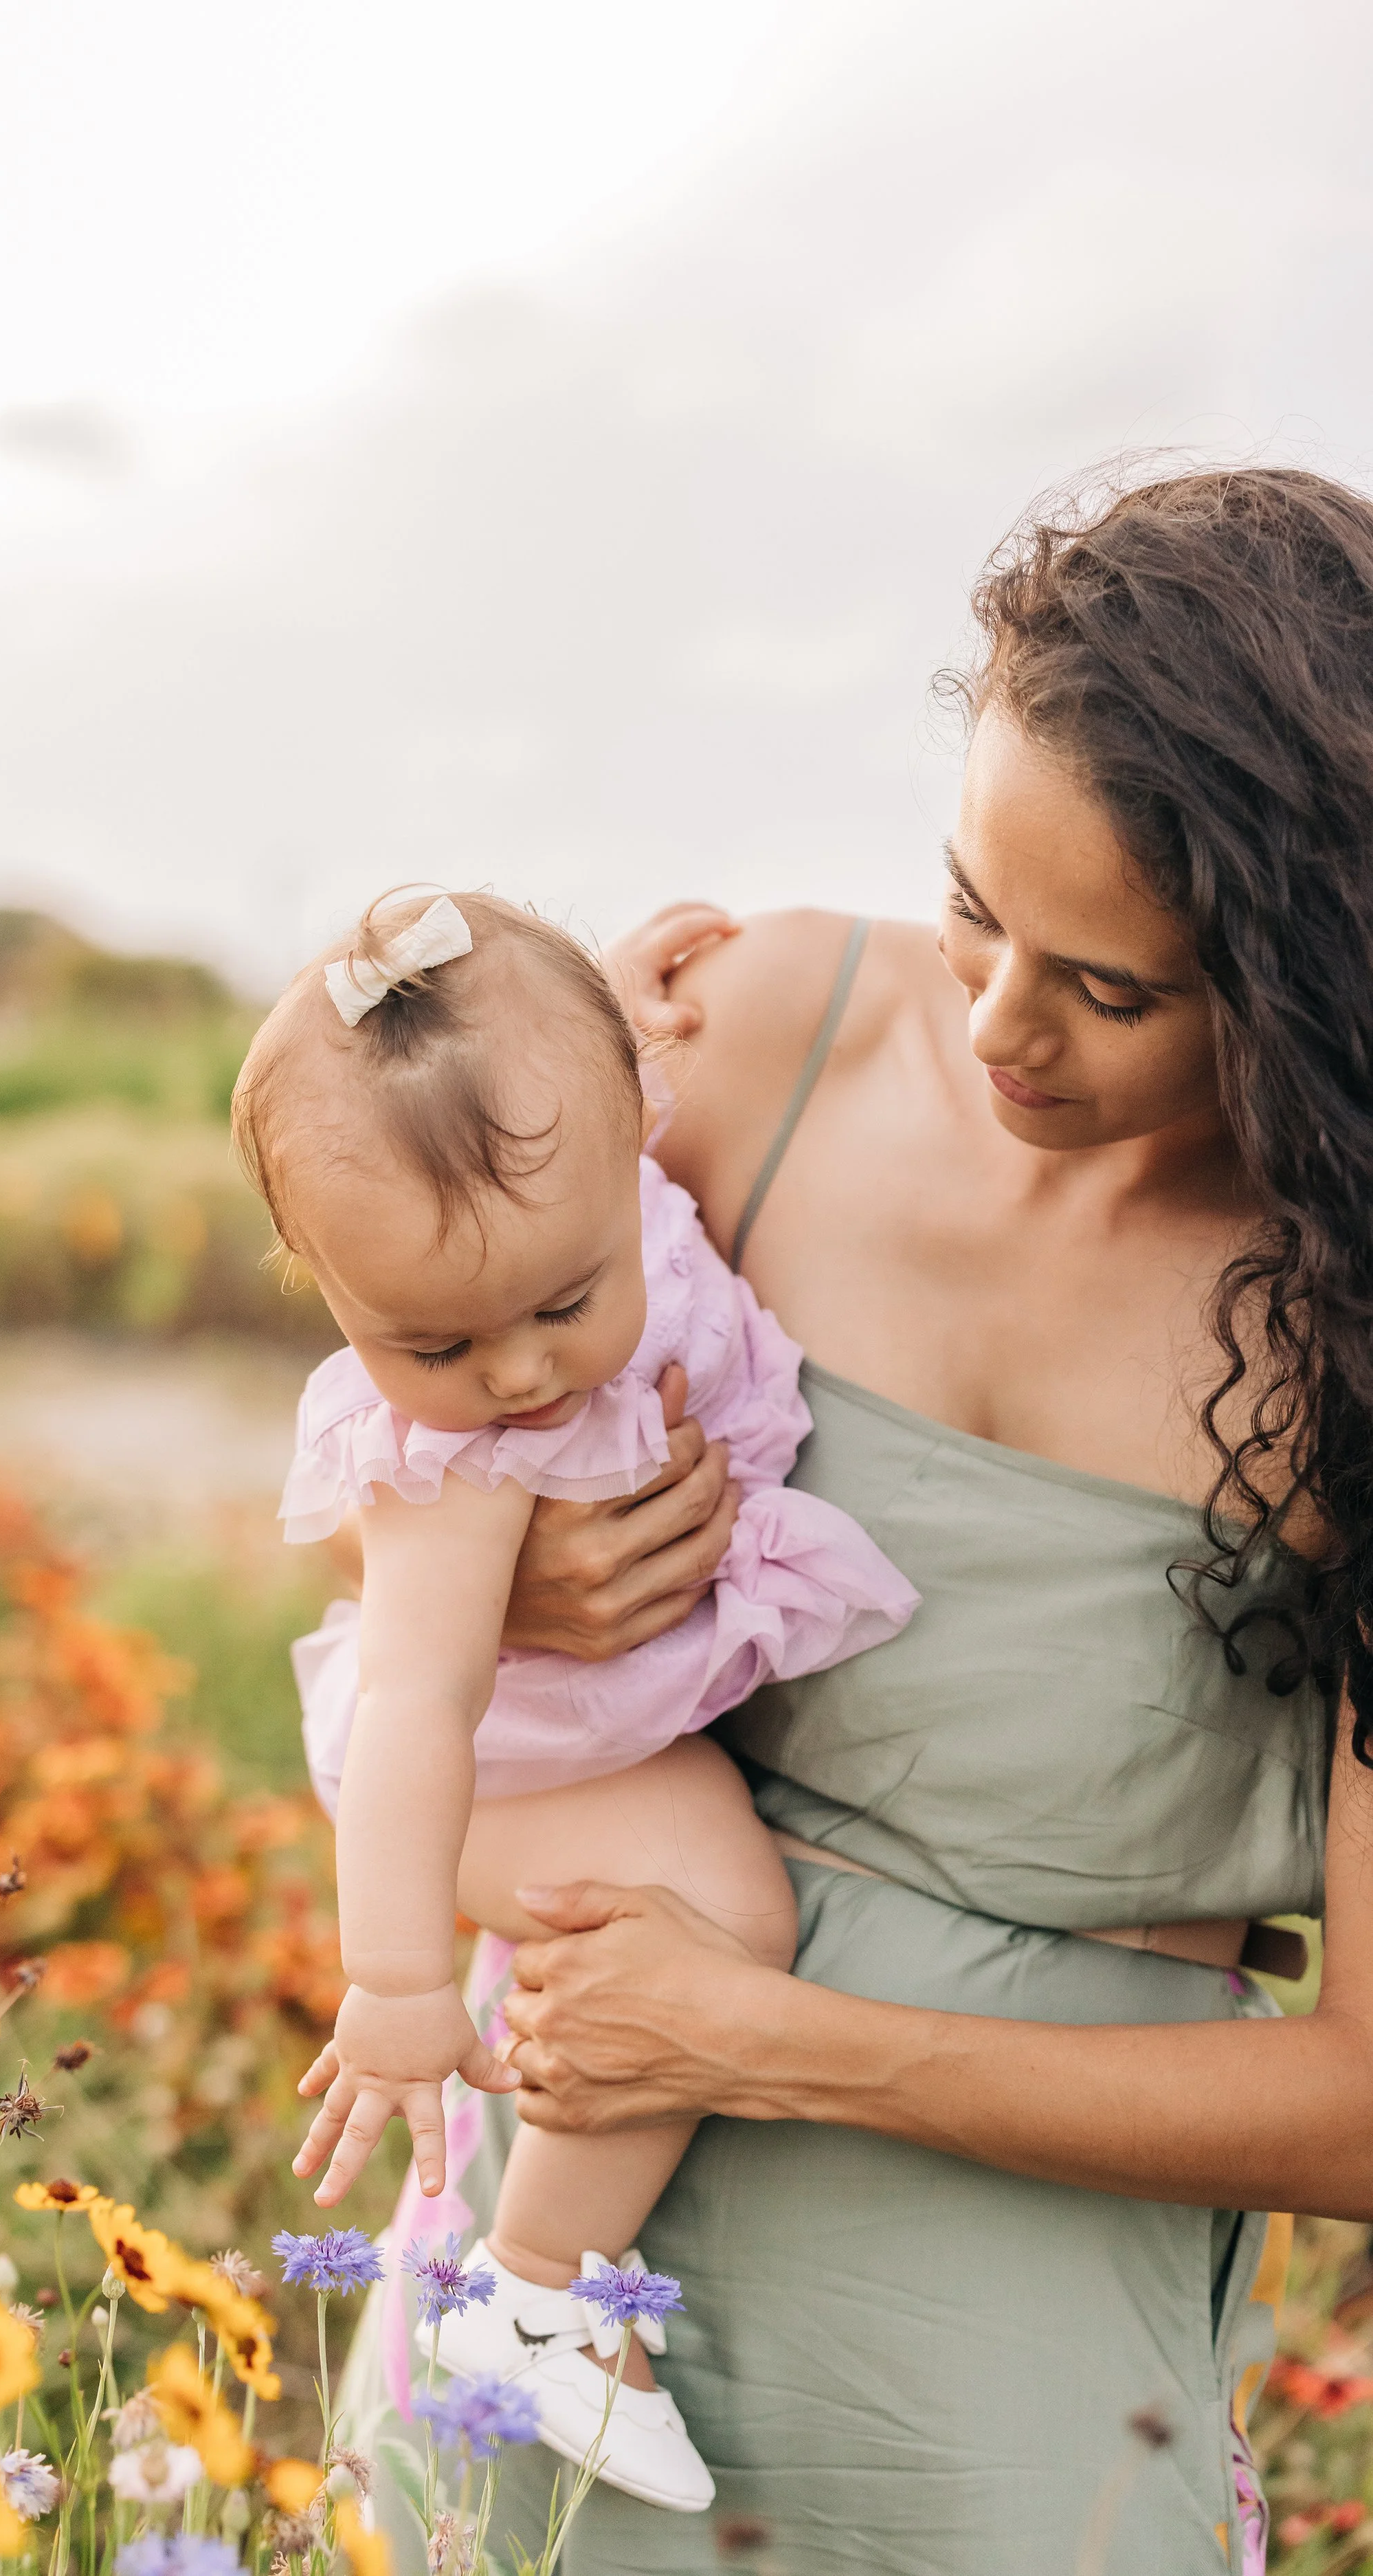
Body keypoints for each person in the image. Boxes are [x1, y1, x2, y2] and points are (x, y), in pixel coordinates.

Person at [334, 467, 1373, 2574]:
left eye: (1114, 987)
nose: (995, 1026)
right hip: (570, 2240)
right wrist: (506, 1576)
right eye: (975, 907)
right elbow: (411, 1389)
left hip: (986, 2374)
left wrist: (777, 2042)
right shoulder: (760, 1036)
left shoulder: (1345, 1315)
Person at [231, 889, 917, 2511]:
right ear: (318, 1287)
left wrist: (594, 1009)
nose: (524, 1371)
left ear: (630, 1132)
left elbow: (531, 1103)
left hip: (593, 1708)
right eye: (435, 1337)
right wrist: (398, 1984)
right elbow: (414, 1697)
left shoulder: (570, 1154)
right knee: (719, 1904)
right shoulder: (453, 1458)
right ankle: (540, 2281)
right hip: (498, 1761)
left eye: (561, 1303)